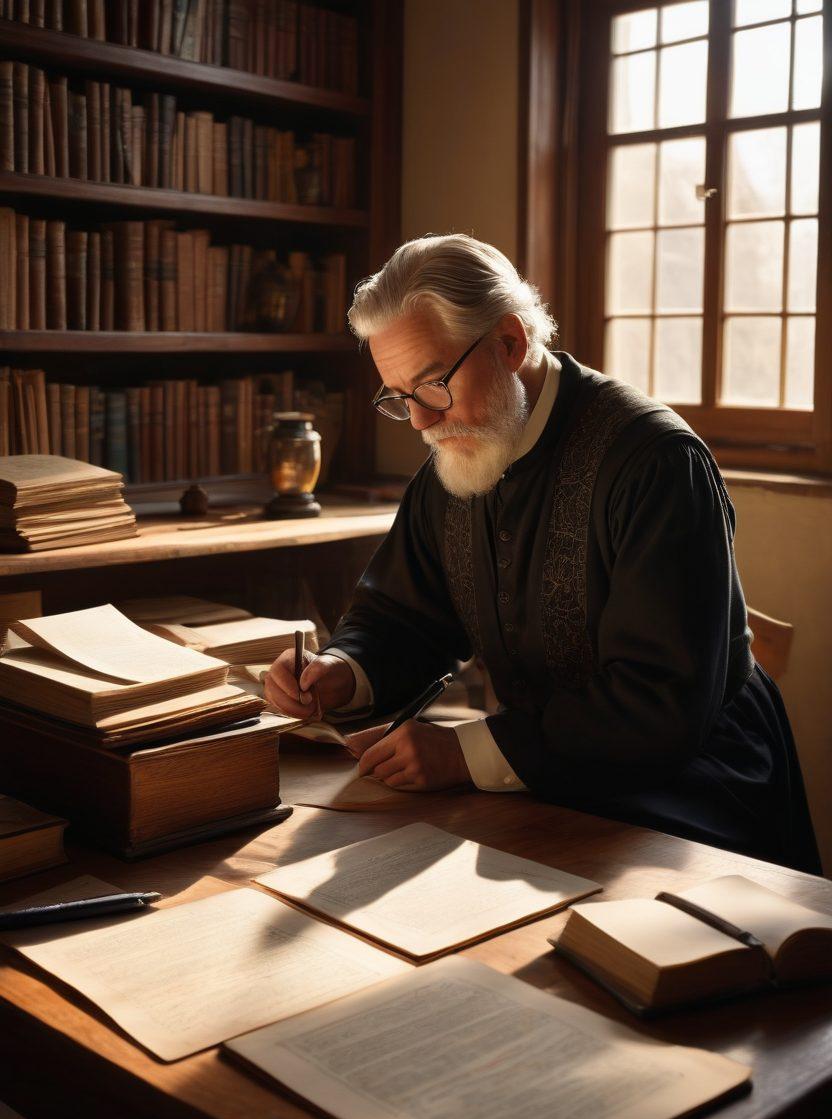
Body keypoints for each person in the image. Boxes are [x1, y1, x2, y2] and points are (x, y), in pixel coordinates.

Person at [265, 233, 821, 875]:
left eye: (432, 385)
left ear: (509, 342)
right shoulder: (460, 456)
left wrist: (462, 754)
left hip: (694, 788)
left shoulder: (657, 463)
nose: (420, 422)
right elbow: (404, 618)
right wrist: (341, 671)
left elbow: (660, 701)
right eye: (399, 397)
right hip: (538, 776)